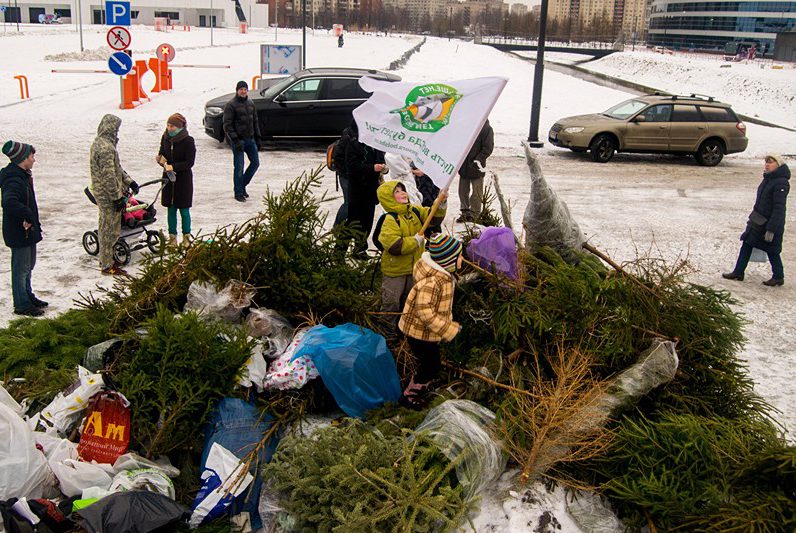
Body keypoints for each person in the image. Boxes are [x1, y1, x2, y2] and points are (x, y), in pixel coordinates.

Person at [398, 233, 464, 408]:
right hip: (417, 331)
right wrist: (447, 329)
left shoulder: (442, 275)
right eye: (459, 256)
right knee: (431, 364)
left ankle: (420, 385)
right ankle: (410, 395)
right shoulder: (433, 282)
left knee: (431, 360)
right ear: (449, 262)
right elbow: (425, 312)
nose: (462, 259)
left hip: (423, 330)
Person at [376, 181, 446, 329]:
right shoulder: (390, 219)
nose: (402, 193)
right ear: (388, 198)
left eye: (403, 190)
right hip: (395, 272)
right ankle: (387, 333)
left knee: (409, 301)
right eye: (397, 192)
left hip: (414, 269)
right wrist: (415, 241)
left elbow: (432, 218)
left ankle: (404, 331)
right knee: (391, 302)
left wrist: (440, 203)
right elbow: (394, 246)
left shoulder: (414, 212)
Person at [723, 154, 790, 286]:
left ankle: (778, 276)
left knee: (772, 250)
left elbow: (779, 208)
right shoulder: (768, 178)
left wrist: (771, 228)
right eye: (766, 162)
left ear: (778, 165)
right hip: (757, 220)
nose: (767, 164)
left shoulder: (781, 183)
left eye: (770, 162)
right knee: (747, 243)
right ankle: (738, 272)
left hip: (770, 224)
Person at [1, 141, 46, 317]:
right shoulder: (13, 179)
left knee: (29, 265)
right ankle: (21, 304)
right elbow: (8, 202)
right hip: (19, 231)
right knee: (21, 268)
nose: (34, 160)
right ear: (22, 159)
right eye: (31, 156)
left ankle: (27, 295)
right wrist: (27, 215)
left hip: (28, 230)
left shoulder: (22, 175)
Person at [90, 114, 137, 276]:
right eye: (116, 129)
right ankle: (107, 264)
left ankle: (108, 260)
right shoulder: (105, 148)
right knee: (108, 229)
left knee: (108, 227)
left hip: (106, 193)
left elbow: (117, 169)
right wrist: (117, 197)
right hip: (108, 195)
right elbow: (109, 176)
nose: (117, 132)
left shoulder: (102, 144)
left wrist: (129, 182)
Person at [341, 121, 385, 256]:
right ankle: (339, 251)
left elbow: (380, 161)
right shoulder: (353, 145)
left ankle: (360, 248)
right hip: (357, 190)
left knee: (367, 221)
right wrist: (372, 168)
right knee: (353, 221)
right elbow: (352, 167)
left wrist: (383, 168)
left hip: (371, 190)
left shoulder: (375, 145)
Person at [156, 112, 196, 246]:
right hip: (168, 179)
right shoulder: (165, 138)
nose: (169, 128)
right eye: (168, 125)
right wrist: (160, 159)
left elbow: (189, 162)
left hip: (183, 180)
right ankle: (172, 237)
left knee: (184, 210)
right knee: (170, 209)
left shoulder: (188, 141)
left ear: (180, 127)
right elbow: (162, 152)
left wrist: (174, 166)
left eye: (172, 126)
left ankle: (186, 237)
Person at [223, 81, 261, 202]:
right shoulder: (231, 105)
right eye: (241, 89)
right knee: (239, 167)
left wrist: (258, 138)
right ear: (237, 90)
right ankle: (238, 192)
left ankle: (242, 184)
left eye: (245, 89)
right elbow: (227, 125)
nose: (243, 91)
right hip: (238, 141)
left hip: (250, 139)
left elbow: (255, 121)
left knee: (255, 163)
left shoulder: (251, 103)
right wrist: (235, 140)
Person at [456, 120, 494, 223]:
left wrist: (477, 160)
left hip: (477, 167)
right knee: (462, 190)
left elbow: (488, 148)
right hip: (464, 166)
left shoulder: (486, 129)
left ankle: (475, 214)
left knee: (477, 192)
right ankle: (465, 212)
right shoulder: (466, 127)